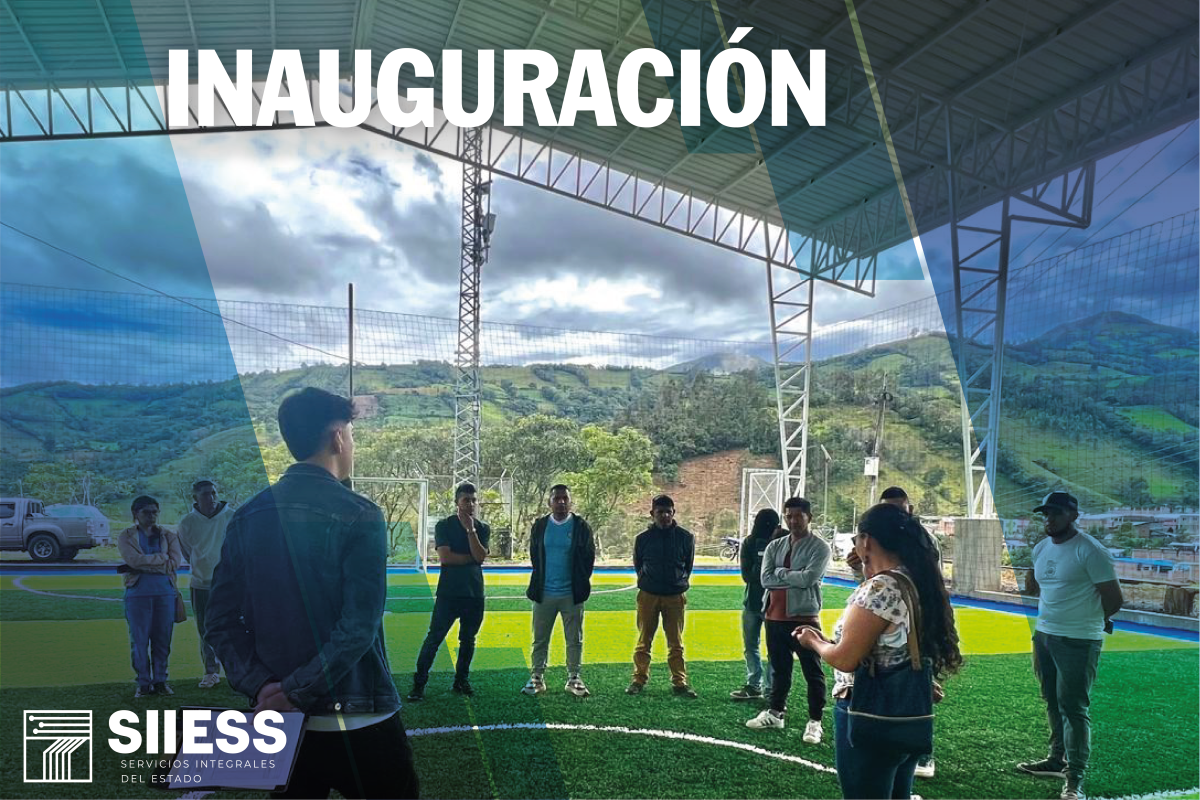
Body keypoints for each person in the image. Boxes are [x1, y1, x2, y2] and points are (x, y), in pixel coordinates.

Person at [205, 388, 419, 800]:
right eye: (352, 435)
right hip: (362, 719)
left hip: (283, 725)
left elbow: (218, 620)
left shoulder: (246, 517)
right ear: (339, 437)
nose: (352, 445)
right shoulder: (360, 513)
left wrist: (263, 686)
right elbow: (358, 626)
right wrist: (293, 691)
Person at [798, 503, 962, 800]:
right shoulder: (914, 580)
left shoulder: (881, 588)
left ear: (867, 541)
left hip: (869, 708)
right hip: (906, 708)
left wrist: (814, 641)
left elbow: (846, 660)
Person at [1017, 491, 1123, 800]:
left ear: (1073, 516)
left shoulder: (1090, 551)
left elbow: (1114, 599)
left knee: (1074, 708)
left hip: (1078, 640)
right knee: (1051, 699)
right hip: (1045, 636)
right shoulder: (1040, 549)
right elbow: (1038, 586)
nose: (1049, 518)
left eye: (1057, 513)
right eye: (1046, 513)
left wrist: (1092, 619)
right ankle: (1055, 760)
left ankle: (1075, 778)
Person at [746, 498, 830, 744]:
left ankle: (815, 721)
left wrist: (781, 574)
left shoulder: (820, 548)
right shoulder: (775, 546)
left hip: (804, 618)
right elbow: (765, 580)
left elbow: (809, 579)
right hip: (774, 615)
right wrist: (793, 575)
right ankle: (775, 712)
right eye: (789, 516)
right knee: (779, 669)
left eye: (798, 516)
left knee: (812, 671)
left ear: (809, 517)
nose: (793, 521)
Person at [409, 482, 491, 700]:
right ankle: (419, 684)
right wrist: (471, 558)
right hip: (448, 594)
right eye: (466, 500)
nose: (471, 504)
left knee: (468, 640)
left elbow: (481, 557)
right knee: (434, 638)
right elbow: (446, 557)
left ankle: (461, 681)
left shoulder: (482, 528)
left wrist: (470, 530)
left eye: (474, 500)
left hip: (474, 595)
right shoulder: (444, 525)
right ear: (457, 503)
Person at [523, 484, 597, 697]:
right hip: (543, 593)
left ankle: (574, 677)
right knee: (540, 638)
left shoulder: (581, 526)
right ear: (550, 502)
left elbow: (588, 558)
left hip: (571, 594)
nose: (561, 502)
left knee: (574, 638)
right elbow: (535, 556)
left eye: (565, 498)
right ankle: (537, 677)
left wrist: (580, 583)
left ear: (570, 501)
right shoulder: (540, 526)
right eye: (557, 498)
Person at [627, 495, 696, 698]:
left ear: (673, 513)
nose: (665, 516)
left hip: (675, 596)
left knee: (676, 642)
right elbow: (638, 564)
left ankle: (679, 682)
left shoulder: (686, 537)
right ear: (652, 514)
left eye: (668, 512)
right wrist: (648, 581)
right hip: (648, 595)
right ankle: (638, 679)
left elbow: (688, 566)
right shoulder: (642, 539)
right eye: (660, 512)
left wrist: (677, 583)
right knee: (643, 641)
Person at [117, 495, 182, 698]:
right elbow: (133, 560)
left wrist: (146, 564)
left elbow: (175, 563)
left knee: (163, 639)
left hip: (165, 591)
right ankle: (143, 683)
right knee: (139, 640)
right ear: (135, 514)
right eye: (146, 512)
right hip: (138, 593)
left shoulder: (168, 535)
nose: (151, 516)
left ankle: (161, 681)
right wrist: (160, 560)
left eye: (154, 512)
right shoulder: (126, 536)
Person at [176, 479, 235, 689]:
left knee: (234, 627)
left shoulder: (231, 517)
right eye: (204, 494)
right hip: (200, 584)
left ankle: (236, 671)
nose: (210, 498)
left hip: (228, 584)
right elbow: (187, 552)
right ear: (195, 498)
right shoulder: (187, 523)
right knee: (205, 630)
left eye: (213, 493)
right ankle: (211, 672)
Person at [730, 508, 781, 701]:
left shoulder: (782, 543)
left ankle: (770, 689)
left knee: (774, 648)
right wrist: (765, 567)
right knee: (750, 645)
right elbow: (747, 576)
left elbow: (780, 576)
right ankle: (754, 685)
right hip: (752, 603)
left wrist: (766, 571)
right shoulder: (749, 543)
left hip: (774, 605)